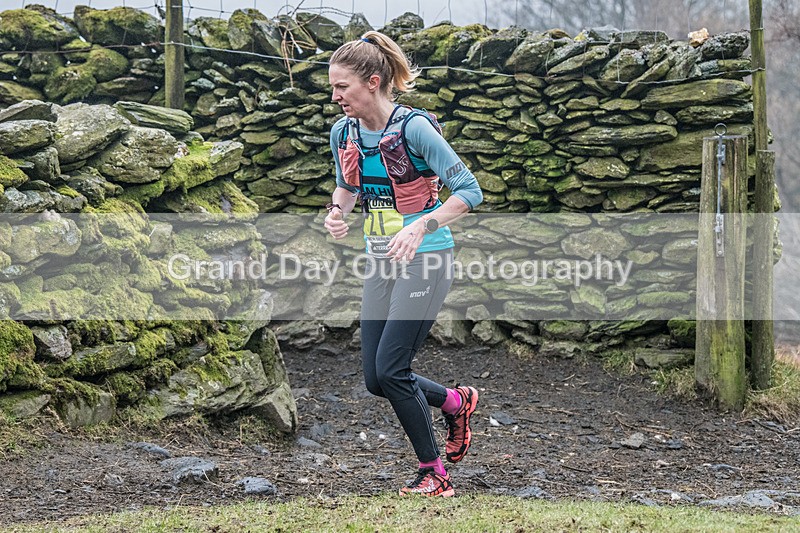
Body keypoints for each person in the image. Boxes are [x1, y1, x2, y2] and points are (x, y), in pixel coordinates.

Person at [323, 31, 484, 497]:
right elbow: (347, 188)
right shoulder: (344, 133)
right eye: (333, 88)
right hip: (380, 263)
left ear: (373, 82)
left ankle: (435, 473)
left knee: (393, 370)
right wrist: (336, 213)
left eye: (342, 87)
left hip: (426, 260)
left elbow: (470, 191)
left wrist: (420, 227)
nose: (335, 97)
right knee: (377, 379)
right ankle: (454, 403)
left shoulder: (414, 130)